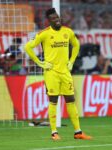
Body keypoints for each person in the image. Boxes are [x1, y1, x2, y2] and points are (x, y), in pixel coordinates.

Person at [24, 8, 92, 140]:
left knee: (71, 100)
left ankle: (78, 132)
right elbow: (28, 47)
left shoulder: (68, 31)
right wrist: (40, 63)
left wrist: (71, 61)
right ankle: (54, 132)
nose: (57, 20)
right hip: (51, 73)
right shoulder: (44, 34)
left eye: (58, 17)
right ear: (49, 21)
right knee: (53, 101)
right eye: (54, 18)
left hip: (65, 72)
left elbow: (76, 45)